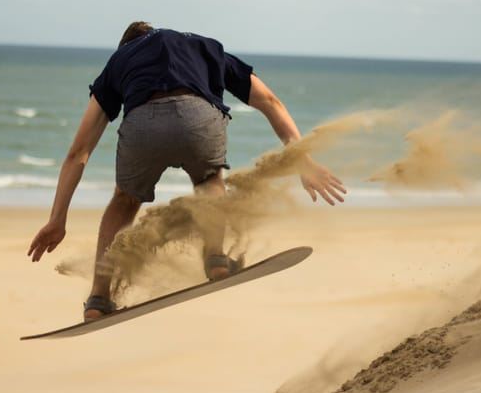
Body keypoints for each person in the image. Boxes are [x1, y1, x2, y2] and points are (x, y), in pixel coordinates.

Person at [28, 22, 346, 321]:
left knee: (124, 202)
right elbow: (270, 101)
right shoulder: (202, 46)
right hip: (200, 119)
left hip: (143, 125)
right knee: (209, 181)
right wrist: (302, 159)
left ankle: (98, 298)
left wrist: (58, 219)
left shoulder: (120, 60)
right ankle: (216, 258)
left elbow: (78, 151)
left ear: (127, 46)